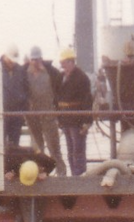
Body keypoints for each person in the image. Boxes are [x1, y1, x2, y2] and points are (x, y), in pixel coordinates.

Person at [25, 46, 66, 175]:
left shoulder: (51, 72)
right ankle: (40, 173)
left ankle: (62, 175)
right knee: (37, 148)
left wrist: (59, 111)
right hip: (32, 115)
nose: (36, 62)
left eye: (38, 59)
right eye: (33, 59)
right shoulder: (25, 73)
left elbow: (60, 87)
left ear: (42, 59)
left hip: (48, 113)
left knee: (54, 148)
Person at [0, 45, 29, 147]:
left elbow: (26, 90)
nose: (12, 62)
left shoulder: (20, 70)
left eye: (14, 60)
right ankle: (1, 163)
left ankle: (13, 163)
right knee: (1, 146)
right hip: (0, 115)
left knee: (15, 145)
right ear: (4, 56)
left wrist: (24, 109)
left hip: (17, 116)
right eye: (10, 59)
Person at [56, 47, 93, 175]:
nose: (63, 67)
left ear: (71, 62)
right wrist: (59, 119)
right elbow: (57, 98)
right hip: (65, 120)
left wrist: (87, 122)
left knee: (78, 150)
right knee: (70, 150)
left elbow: (88, 101)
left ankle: (80, 176)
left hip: (77, 121)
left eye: (64, 64)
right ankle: (74, 175)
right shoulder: (61, 77)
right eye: (61, 65)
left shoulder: (82, 78)